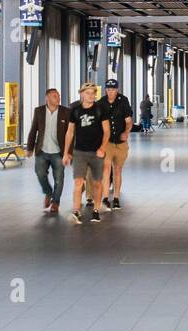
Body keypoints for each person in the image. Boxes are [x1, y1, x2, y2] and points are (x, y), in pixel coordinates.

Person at [63, 82, 107, 224]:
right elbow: (69, 132)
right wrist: (66, 153)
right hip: (79, 152)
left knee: (97, 183)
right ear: (81, 94)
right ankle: (76, 211)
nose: (91, 96)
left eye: (93, 93)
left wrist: (102, 148)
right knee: (78, 182)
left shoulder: (100, 109)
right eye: (88, 93)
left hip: (96, 152)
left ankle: (96, 210)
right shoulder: (75, 110)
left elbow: (107, 131)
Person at [26, 87, 69, 214]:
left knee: (59, 179)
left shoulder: (66, 112)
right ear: (47, 98)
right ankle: (48, 192)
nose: (58, 98)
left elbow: (70, 134)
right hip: (42, 151)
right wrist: (29, 148)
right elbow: (33, 130)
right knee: (40, 173)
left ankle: (55, 202)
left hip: (59, 152)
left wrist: (69, 152)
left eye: (59, 96)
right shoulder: (39, 111)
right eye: (55, 96)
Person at [99, 78, 134, 211]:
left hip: (121, 142)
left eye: (113, 90)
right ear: (106, 90)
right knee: (106, 169)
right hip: (107, 141)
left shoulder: (123, 101)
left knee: (117, 170)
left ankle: (117, 198)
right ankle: (106, 198)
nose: (111, 92)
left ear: (117, 90)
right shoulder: (101, 103)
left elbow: (129, 120)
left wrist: (126, 132)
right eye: (108, 89)